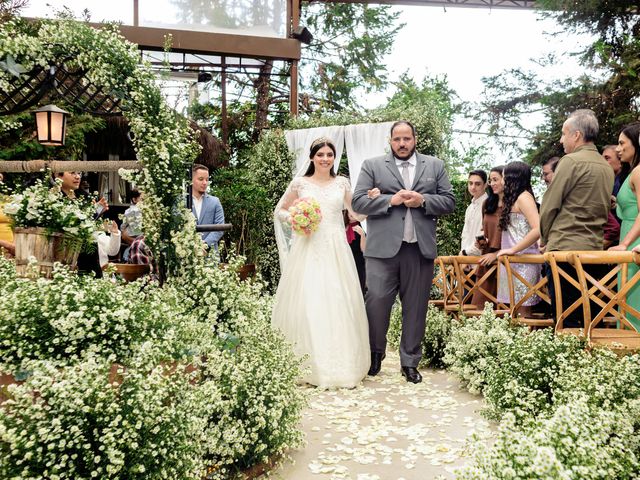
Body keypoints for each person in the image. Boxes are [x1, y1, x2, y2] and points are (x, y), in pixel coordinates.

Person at [352, 121, 455, 384]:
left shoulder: (435, 166)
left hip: (419, 250)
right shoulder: (373, 165)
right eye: (397, 139)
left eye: (407, 138)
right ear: (390, 141)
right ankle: (375, 355)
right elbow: (358, 202)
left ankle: (409, 362)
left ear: (415, 139)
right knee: (375, 302)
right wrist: (389, 200)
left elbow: (449, 201)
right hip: (381, 251)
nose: (402, 143)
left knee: (416, 308)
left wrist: (424, 201)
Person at [272, 137, 370, 388]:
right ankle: (308, 363)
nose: (325, 158)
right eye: (321, 154)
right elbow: (280, 210)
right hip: (309, 246)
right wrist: (296, 217)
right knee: (309, 299)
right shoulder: (300, 183)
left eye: (329, 154)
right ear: (312, 157)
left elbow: (355, 213)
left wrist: (371, 200)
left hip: (336, 247)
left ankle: (341, 363)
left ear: (334, 158)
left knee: (338, 299)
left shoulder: (342, 183)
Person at [539, 109, 614, 328]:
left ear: (577, 135)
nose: (561, 140)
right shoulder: (606, 167)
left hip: (564, 248)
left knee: (565, 318)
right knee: (589, 314)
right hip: (593, 249)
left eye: (564, 133)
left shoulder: (570, 161)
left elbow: (550, 205)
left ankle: (569, 356)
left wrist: (545, 238)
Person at [495, 161, 541, 316]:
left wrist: (513, 249)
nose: (501, 181)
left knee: (524, 310)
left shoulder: (524, 198)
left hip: (524, 262)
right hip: (512, 261)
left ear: (511, 178)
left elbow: (538, 228)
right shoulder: (513, 199)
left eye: (502, 177)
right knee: (512, 311)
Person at [609, 122, 640, 330]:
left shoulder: (639, 172)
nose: (618, 149)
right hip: (629, 236)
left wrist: (625, 244)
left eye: (622, 143)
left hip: (634, 241)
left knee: (633, 303)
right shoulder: (632, 172)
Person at [53, 171, 107, 278]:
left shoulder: (85, 196)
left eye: (79, 173)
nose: (77, 177)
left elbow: (90, 224)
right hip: (65, 253)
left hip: (89, 253)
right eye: (72, 173)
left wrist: (98, 211)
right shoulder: (53, 197)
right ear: (57, 175)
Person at [473, 166, 505, 308]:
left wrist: (496, 254)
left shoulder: (515, 205)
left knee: (504, 310)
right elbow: (485, 231)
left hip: (505, 259)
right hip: (486, 260)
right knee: (479, 307)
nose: (492, 183)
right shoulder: (487, 204)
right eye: (490, 180)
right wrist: (481, 243)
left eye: (495, 179)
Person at [191, 164, 225, 251]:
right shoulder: (181, 202)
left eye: (207, 179)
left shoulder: (215, 202)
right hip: (186, 256)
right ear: (191, 180)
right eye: (201, 179)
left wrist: (205, 245)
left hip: (210, 257)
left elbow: (220, 227)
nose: (205, 183)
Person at [459, 169, 488, 257]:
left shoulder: (489, 205)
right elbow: (465, 235)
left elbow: (484, 236)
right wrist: (463, 255)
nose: (473, 187)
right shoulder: (469, 208)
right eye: (470, 183)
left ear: (485, 185)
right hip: (466, 259)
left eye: (477, 184)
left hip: (483, 258)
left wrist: (465, 253)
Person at [344, 210, 367, 294]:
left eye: (356, 212)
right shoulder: (341, 226)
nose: (352, 214)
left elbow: (364, 250)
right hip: (345, 261)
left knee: (357, 289)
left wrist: (362, 235)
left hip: (357, 262)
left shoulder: (361, 228)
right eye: (351, 211)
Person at [0, 173, 15, 257]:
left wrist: (16, 246)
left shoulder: (7, 199)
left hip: (11, 253)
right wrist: (7, 245)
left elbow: (17, 223)